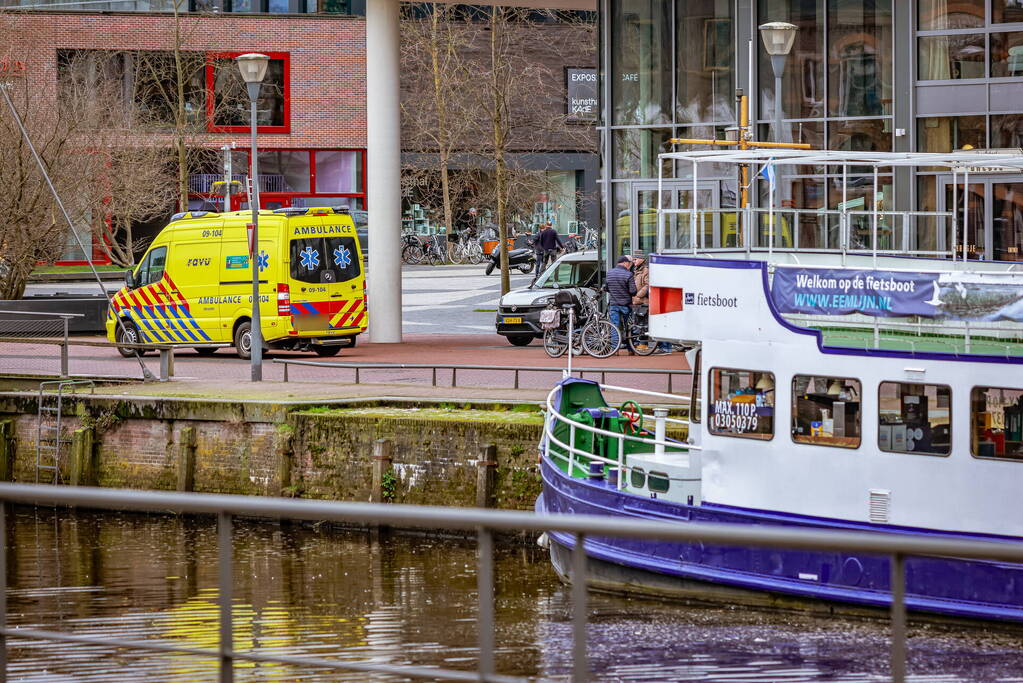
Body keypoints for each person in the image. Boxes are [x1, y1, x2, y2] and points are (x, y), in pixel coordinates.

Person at [630, 252, 671, 353]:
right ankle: (643, 344)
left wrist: (638, 295)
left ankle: (665, 347)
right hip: (640, 302)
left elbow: (648, 285)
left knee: (652, 324)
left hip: (645, 301)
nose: (633, 261)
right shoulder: (637, 270)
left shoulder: (645, 270)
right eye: (633, 259)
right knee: (642, 324)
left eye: (636, 259)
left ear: (642, 259)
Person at [606, 255, 636, 332]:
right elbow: (633, 291)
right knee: (626, 325)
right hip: (625, 305)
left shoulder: (609, 273)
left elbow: (607, 288)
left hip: (613, 304)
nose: (630, 265)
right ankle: (625, 342)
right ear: (624, 263)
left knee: (614, 326)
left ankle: (615, 344)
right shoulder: (628, 274)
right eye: (629, 263)